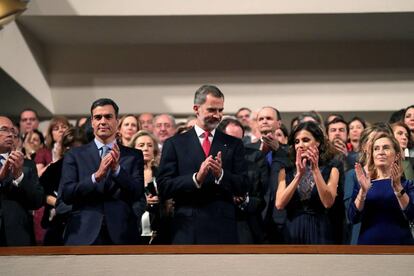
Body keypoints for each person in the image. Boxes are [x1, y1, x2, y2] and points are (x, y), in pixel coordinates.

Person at [157, 84, 249, 244]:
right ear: (196, 108)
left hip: (223, 228)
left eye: (220, 110)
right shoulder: (175, 144)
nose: (217, 115)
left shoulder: (233, 144)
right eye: (212, 110)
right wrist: (196, 178)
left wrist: (221, 174)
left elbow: (244, 185)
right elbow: (164, 186)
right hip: (187, 228)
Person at [60, 98, 144, 245]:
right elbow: (67, 193)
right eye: (98, 117)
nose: (103, 121)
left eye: (108, 117)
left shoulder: (133, 155)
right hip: (83, 234)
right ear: (92, 122)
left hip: (123, 234)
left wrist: (117, 170)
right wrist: (95, 177)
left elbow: (137, 192)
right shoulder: (74, 155)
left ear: (117, 122)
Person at [276, 121, 340, 244]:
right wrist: (298, 175)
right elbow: (279, 204)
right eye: (296, 141)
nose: (300, 145)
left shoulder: (332, 170)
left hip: (320, 230)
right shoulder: (285, 171)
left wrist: (315, 170)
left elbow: (328, 202)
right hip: (292, 229)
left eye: (305, 140)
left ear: (318, 142)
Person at [348, 133, 414, 244]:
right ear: (373, 155)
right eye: (376, 149)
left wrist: (398, 188)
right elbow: (352, 218)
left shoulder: (407, 184)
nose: (381, 152)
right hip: (368, 247)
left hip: (401, 247)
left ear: (397, 155)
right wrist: (363, 192)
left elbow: (411, 214)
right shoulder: (364, 184)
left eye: (386, 148)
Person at [218, 118, 266, 243]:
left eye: (239, 141)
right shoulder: (208, 160)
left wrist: (244, 200)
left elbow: (261, 200)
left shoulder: (253, 162)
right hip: (215, 223)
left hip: (243, 224)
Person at [0, 116, 44, 246]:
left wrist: (19, 176)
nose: (10, 134)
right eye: (4, 130)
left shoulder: (27, 165)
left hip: (18, 237)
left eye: (12, 131)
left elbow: (37, 201)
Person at [40, 127, 88, 245]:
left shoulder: (92, 169)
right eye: (68, 148)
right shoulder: (54, 169)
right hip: (58, 223)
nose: (72, 152)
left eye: (77, 148)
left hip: (85, 223)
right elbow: (41, 193)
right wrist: (59, 203)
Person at [247, 106, 288, 243]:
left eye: (269, 118)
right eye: (261, 119)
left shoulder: (289, 151)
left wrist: (278, 150)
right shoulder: (247, 150)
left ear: (279, 124)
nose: (264, 121)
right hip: (255, 214)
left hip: (281, 214)